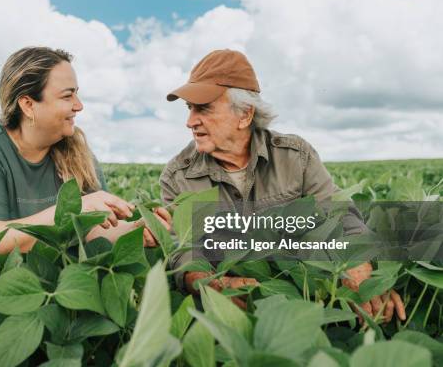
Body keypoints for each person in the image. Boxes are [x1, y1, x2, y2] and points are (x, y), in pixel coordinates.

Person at [160, 49, 405, 322]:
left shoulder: (295, 156)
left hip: (302, 298)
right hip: (227, 317)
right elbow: (183, 254)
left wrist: (362, 270)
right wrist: (213, 284)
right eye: (189, 108)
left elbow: (340, 214)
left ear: (245, 115)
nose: (190, 121)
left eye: (203, 108)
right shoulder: (177, 176)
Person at [0, 46, 169, 256]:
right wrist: (71, 210)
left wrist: (135, 232)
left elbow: (93, 233)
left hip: (38, 282)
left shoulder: (78, 154)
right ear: (28, 104)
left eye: (77, 93)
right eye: (68, 95)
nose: (79, 105)